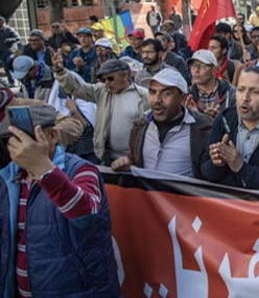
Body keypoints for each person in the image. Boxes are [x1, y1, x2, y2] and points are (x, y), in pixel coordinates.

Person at [0, 105, 120, 297]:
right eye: (14, 138)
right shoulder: (9, 178)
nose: (21, 146)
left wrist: (44, 170)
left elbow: (87, 213)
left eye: (28, 137)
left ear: (53, 136)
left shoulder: (81, 171)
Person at [111, 69, 212, 177]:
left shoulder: (202, 127)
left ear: (182, 98)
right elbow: (134, 160)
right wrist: (125, 164)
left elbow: (210, 174)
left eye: (166, 93)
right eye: (152, 92)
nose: (157, 100)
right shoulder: (140, 126)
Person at [53, 51, 149, 163]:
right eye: (104, 80)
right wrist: (60, 71)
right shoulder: (102, 91)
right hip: (107, 157)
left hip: (136, 159)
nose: (107, 83)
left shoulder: (143, 95)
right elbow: (77, 88)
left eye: (110, 79)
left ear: (124, 75)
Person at [186, 49, 235, 119]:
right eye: (193, 66)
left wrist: (219, 119)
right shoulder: (187, 96)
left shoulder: (231, 93)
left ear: (214, 70)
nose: (196, 71)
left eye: (202, 66)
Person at [0, 16, 20, 84]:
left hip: (10, 51)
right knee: (6, 67)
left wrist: (9, 40)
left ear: (3, 22)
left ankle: (19, 79)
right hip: (1, 53)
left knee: (11, 65)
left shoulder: (9, 30)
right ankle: (11, 82)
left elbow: (18, 38)